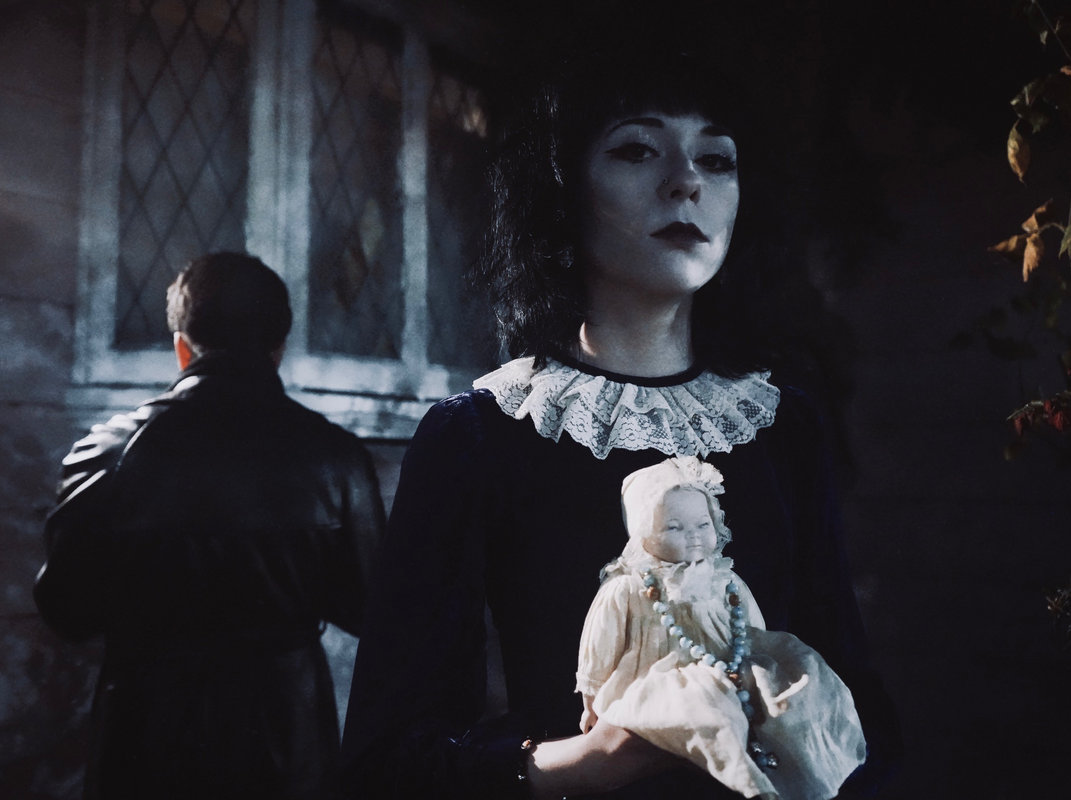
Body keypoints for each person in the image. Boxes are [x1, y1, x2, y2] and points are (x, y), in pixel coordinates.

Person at [341, 47, 896, 800]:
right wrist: (588, 760)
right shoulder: (478, 434)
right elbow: (388, 758)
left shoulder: (780, 423)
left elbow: (857, 709)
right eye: (638, 149)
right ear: (562, 189)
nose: (686, 181)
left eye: (716, 159)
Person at [34, 252, 385, 800]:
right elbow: (374, 609)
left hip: (146, 737)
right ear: (278, 348)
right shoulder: (337, 459)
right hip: (284, 735)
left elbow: (67, 609)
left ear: (182, 347)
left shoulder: (106, 454)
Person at [577, 456, 866, 800]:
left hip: (733, 665)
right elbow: (599, 647)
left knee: (801, 685)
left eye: (703, 524)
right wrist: (591, 703)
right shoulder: (627, 588)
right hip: (662, 678)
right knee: (705, 707)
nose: (694, 537)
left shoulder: (723, 579)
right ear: (642, 535)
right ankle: (751, 785)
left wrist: (764, 661)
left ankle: (812, 766)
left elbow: (752, 627)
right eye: (674, 527)